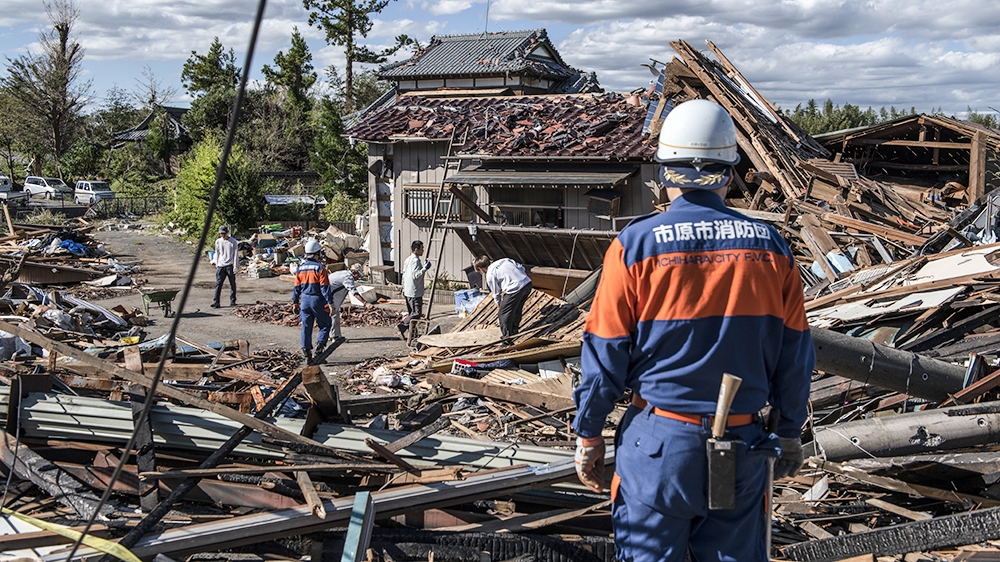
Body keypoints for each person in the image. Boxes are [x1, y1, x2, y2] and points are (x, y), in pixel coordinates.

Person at [572, 99, 814, 562]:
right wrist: (787, 431)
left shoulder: (636, 246)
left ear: (664, 174)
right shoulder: (773, 248)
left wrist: (589, 434)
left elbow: (604, 355)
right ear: (728, 173)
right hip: (741, 448)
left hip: (660, 447)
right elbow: (796, 353)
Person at [292, 239, 333, 364]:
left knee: (306, 326)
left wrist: (295, 302)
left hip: (304, 300)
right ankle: (319, 349)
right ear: (317, 254)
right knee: (325, 324)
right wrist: (330, 303)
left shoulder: (300, 269)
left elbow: (296, 288)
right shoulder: (320, 268)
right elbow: (324, 287)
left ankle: (306, 353)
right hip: (317, 299)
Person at [472, 255, 532, 342]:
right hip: (527, 283)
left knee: (503, 315)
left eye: (479, 271)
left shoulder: (490, 274)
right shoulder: (504, 260)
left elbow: (496, 293)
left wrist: (499, 307)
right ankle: (514, 330)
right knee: (517, 308)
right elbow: (521, 267)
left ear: (481, 269)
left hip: (514, 289)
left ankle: (506, 339)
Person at [328, 264, 374, 340]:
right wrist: (365, 303)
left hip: (328, 295)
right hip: (330, 296)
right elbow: (354, 292)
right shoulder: (348, 277)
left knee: (332, 315)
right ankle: (334, 336)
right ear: (354, 273)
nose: (358, 278)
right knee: (334, 314)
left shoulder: (344, 273)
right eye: (358, 275)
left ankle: (331, 335)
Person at [397, 240, 430, 340]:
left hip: (408, 290)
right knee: (416, 313)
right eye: (421, 248)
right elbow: (415, 275)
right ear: (416, 249)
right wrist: (424, 268)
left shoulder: (408, 259)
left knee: (412, 313)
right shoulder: (415, 261)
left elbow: (404, 274)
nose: (423, 250)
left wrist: (403, 287)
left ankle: (413, 334)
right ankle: (402, 326)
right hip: (414, 291)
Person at [211, 225, 238, 308]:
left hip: (230, 265)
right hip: (221, 265)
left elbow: (235, 254)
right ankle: (216, 301)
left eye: (224, 233)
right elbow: (217, 252)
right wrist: (216, 262)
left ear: (227, 233)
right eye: (221, 234)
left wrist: (235, 266)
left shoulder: (233, 241)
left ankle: (232, 300)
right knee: (218, 284)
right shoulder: (218, 241)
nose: (222, 235)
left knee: (232, 283)